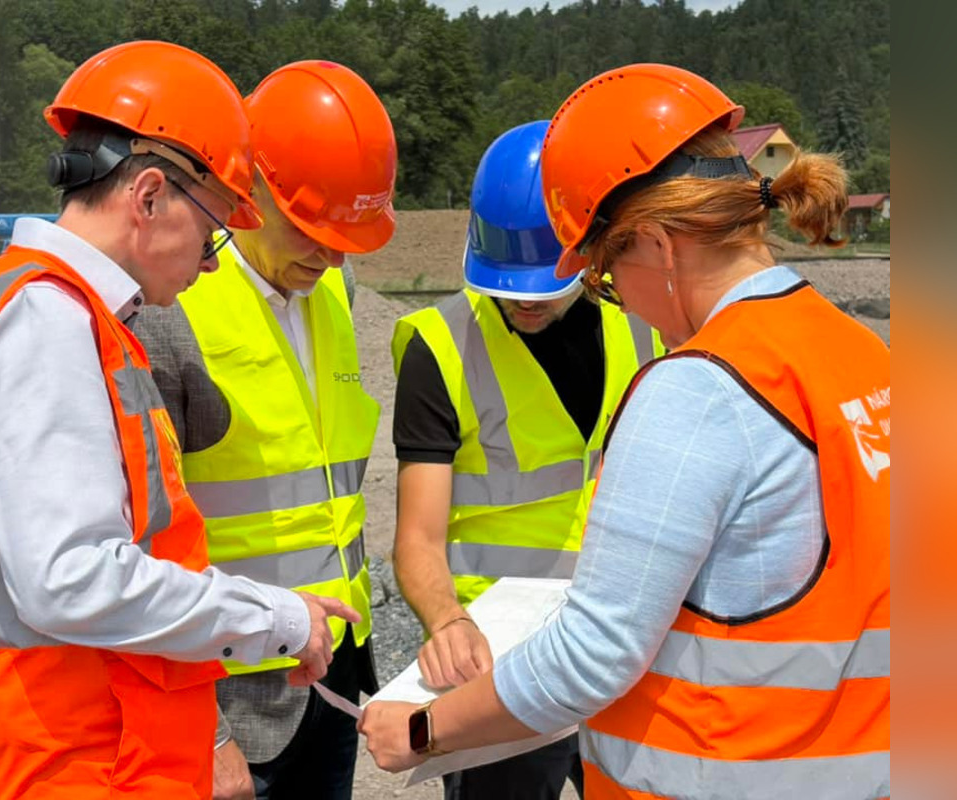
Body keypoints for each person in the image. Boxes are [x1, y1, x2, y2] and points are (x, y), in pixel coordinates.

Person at [359, 62, 890, 800]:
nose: (615, 301)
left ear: (657, 245)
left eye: (605, 273)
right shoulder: (869, 357)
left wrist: (424, 729)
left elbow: (594, 654)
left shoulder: (704, 386)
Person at [0, 41, 359, 799]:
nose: (211, 263)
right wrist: (275, 616)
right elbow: (72, 579)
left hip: (89, 749)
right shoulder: (45, 324)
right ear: (147, 197)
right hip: (85, 766)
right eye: (212, 231)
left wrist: (4, 654)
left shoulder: (42, 312)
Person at [132, 60, 396, 800]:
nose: (332, 255)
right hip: (233, 696)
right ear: (247, 190)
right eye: (312, 231)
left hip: (332, 669)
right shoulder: (167, 310)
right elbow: (138, 546)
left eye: (345, 237)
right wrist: (203, 733)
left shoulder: (331, 293)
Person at [389, 120, 661, 800]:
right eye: (506, 283)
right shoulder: (440, 344)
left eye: (540, 284)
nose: (522, 302)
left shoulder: (643, 326)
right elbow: (417, 537)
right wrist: (447, 622)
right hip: (498, 662)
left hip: (616, 643)